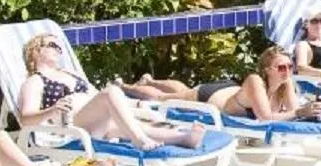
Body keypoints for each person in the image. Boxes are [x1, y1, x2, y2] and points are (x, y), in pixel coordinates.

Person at [16, 34, 206, 151]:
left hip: (95, 121)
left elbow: (94, 96)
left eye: (60, 47)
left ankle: (184, 138)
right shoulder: (35, 81)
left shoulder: (69, 73)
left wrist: (131, 105)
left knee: (121, 123)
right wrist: (52, 110)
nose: (58, 50)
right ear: (35, 51)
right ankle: (140, 141)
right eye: (52, 45)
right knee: (110, 93)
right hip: (72, 126)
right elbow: (25, 119)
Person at [196, 46, 321, 122]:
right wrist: (301, 112)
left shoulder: (285, 81)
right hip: (211, 96)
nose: (288, 71)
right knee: (176, 96)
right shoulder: (255, 80)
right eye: (282, 67)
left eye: (290, 66)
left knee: (178, 89)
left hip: (232, 90)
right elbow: (266, 118)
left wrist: (311, 109)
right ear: (267, 70)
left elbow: (293, 110)